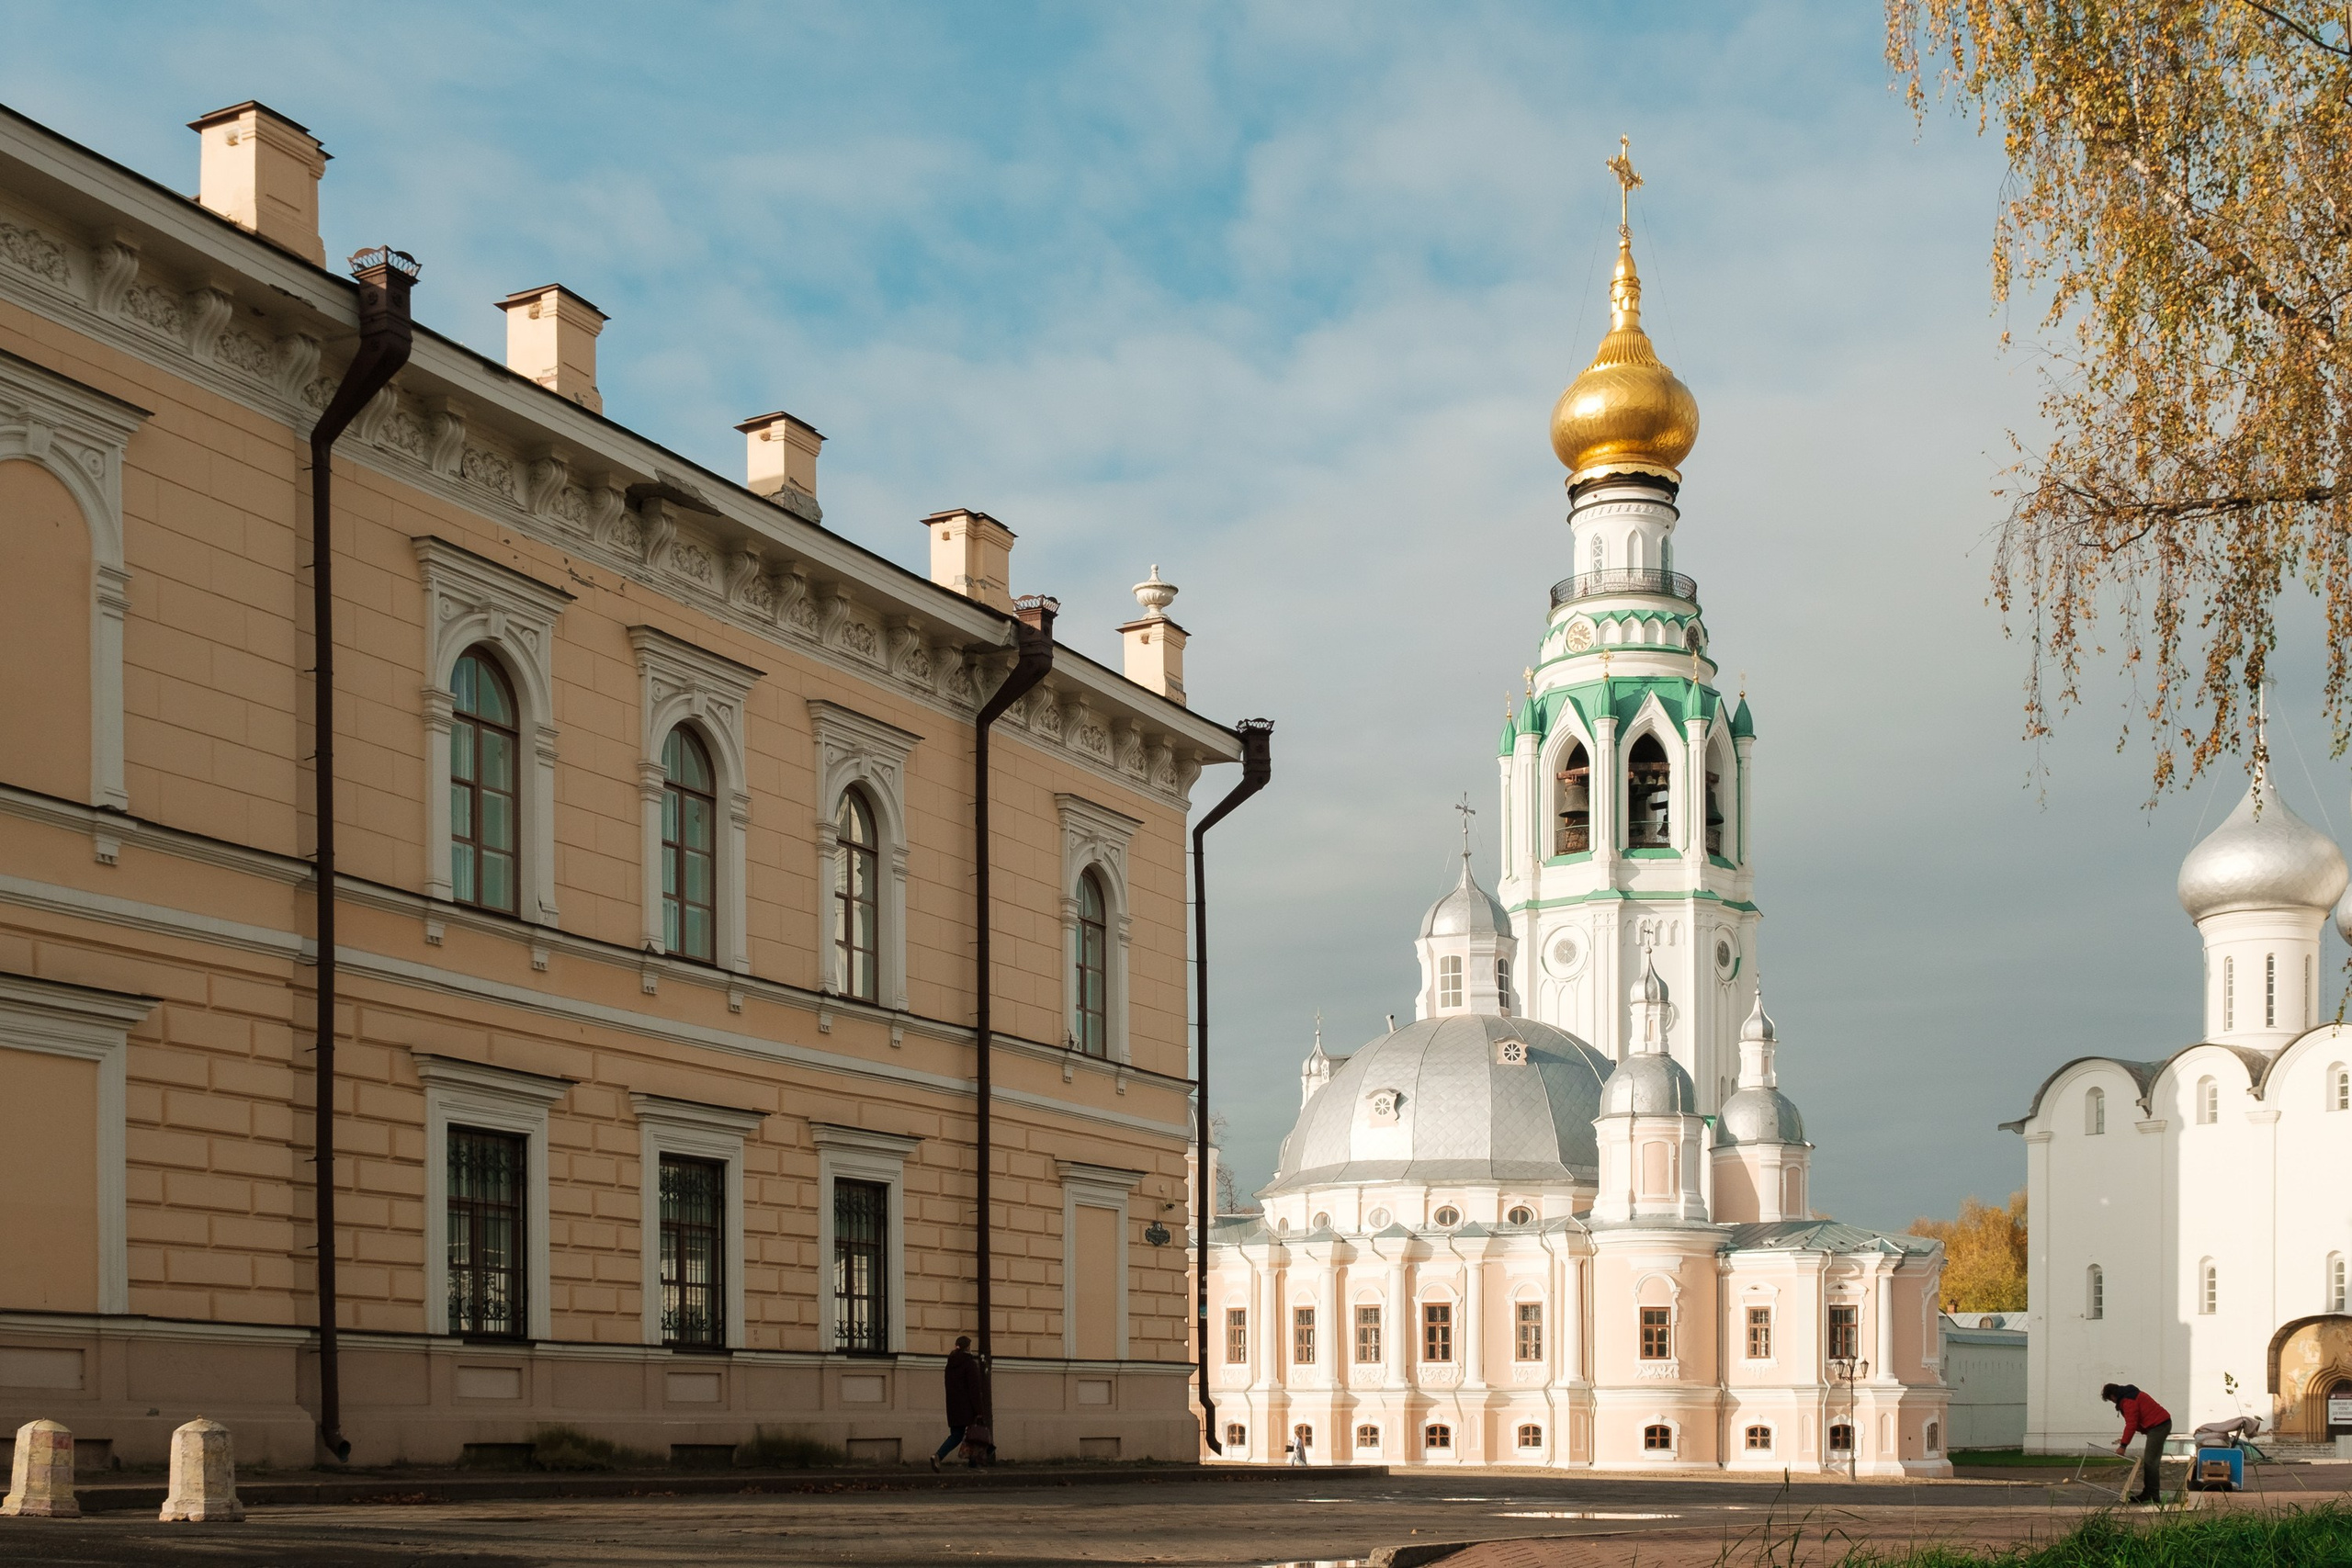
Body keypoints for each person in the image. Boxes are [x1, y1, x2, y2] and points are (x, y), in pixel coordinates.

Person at [2102, 1382, 2173, 1504]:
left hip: (2159, 1426)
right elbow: (2135, 1422)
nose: (2112, 1402)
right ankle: (2149, 1492)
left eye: (2110, 1399)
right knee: (2150, 1461)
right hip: (2159, 1425)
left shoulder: (2128, 1400)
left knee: (2151, 1462)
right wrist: (2125, 1439)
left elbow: (2131, 1424)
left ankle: (2152, 1495)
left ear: (2113, 1396)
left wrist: (2123, 1446)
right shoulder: (2130, 1395)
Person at [933, 1336, 990, 1471]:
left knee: (956, 1435)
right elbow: (974, 1389)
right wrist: (979, 1410)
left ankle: (938, 1456)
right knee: (973, 1435)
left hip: (953, 1406)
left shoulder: (950, 1364)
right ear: (968, 1348)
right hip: (968, 1407)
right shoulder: (970, 1364)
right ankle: (973, 1464)